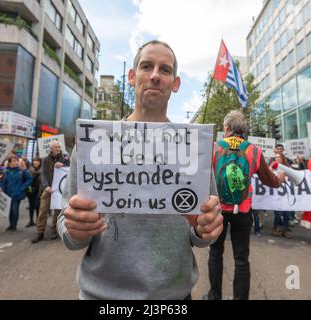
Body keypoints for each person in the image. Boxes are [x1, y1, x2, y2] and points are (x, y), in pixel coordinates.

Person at [57, 40, 223, 300]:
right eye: (147, 67)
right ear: (132, 77)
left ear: (176, 84)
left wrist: (207, 229)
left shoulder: (193, 147)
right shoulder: (95, 142)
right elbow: (67, 226)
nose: (155, 76)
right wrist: (74, 229)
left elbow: (202, 230)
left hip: (174, 298)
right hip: (101, 297)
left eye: (165, 70)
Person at [206, 110, 285, 300]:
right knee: (241, 259)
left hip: (218, 209)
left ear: (226, 128)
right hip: (242, 210)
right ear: (243, 130)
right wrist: (280, 178)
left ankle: (214, 296)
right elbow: (270, 181)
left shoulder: (214, 148)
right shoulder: (253, 150)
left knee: (216, 253)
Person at [32, 141, 70, 243]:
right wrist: (46, 186)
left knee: (58, 211)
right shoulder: (45, 159)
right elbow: (43, 173)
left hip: (59, 190)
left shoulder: (65, 157)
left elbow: (71, 169)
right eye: (56, 147)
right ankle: (40, 232)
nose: (58, 149)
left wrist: (63, 164)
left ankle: (55, 230)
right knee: (43, 210)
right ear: (51, 149)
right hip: (49, 189)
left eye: (59, 147)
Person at [0, 155, 32, 232]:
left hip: (17, 194)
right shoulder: (5, 171)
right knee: (9, 210)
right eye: (14, 161)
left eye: (17, 160)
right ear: (9, 163)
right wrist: (0, 187)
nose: (16, 162)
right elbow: (2, 181)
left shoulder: (22, 171)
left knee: (14, 209)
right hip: (7, 194)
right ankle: (11, 224)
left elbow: (30, 179)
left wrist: (23, 187)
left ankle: (14, 225)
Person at [270, 153, 292, 239]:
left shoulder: (287, 168)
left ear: (282, 158)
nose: (277, 159)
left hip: (285, 194)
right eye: (276, 157)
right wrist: (271, 169)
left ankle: (284, 231)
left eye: (279, 157)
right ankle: (274, 229)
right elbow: (269, 175)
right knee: (277, 214)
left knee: (287, 214)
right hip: (276, 194)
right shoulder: (273, 166)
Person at [26, 158, 42, 227]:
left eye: (37, 161)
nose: (36, 162)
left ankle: (38, 220)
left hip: (39, 190)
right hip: (30, 190)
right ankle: (31, 220)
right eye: (34, 161)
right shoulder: (29, 170)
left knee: (37, 206)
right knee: (31, 206)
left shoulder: (42, 170)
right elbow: (27, 180)